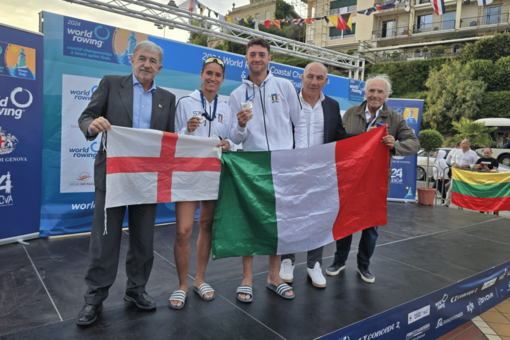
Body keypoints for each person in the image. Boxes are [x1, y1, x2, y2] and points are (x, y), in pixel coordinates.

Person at [76, 41, 176, 326]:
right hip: (113, 176)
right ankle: (94, 298)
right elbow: (86, 116)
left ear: (159, 67)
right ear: (131, 60)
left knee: (144, 241)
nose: (146, 64)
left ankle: (136, 290)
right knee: (104, 241)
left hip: (146, 179)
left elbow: (168, 141)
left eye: (152, 61)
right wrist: (91, 127)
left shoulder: (167, 98)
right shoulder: (110, 83)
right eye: (142, 58)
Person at [326, 74, 420, 284]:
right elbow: (338, 141)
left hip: (375, 183)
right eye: (371, 90)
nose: (375, 95)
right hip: (350, 180)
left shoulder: (394, 117)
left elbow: (414, 144)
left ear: (386, 95)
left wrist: (394, 145)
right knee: (345, 222)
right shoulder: (351, 113)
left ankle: (364, 266)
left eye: (379, 91)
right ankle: (338, 261)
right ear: (365, 92)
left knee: (370, 227)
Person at [229, 38, 301, 302]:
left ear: (270, 58)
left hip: (282, 163)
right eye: (252, 54)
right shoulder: (237, 94)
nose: (257, 58)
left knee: (276, 221)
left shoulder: (284, 86)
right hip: (252, 164)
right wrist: (240, 126)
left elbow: (299, 123)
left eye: (261, 54)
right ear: (245, 59)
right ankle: (247, 278)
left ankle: (274, 275)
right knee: (250, 220)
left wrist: (299, 157)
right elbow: (235, 139)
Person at [279, 62, 352, 289]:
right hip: (290, 170)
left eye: (319, 78)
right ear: (301, 78)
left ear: (326, 81)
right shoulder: (288, 101)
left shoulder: (332, 105)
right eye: (310, 76)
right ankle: (287, 260)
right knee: (289, 216)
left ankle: (314, 265)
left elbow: (340, 136)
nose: (314, 81)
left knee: (317, 218)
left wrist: (370, 138)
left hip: (320, 174)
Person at [168, 57, 233, 309]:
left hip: (214, 173)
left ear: (222, 79)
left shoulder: (226, 107)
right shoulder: (185, 102)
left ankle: (200, 279)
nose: (212, 78)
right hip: (188, 172)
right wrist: (187, 130)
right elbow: (173, 138)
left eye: (217, 75)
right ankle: (182, 284)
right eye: (209, 73)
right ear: (201, 74)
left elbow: (230, 140)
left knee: (206, 226)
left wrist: (230, 143)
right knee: (183, 229)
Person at [443, 139, 478, 208]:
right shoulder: (457, 151)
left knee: (463, 189)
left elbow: (475, 164)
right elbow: (452, 159)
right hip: (456, 173)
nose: (461, 144)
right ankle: (446, 203)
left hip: (466, 173)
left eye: (463, 143)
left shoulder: (473, 153)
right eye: (461, 143)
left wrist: (468, 166)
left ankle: (461, 204)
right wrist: (454, 163)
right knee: (451, 188)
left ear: (468, 144)